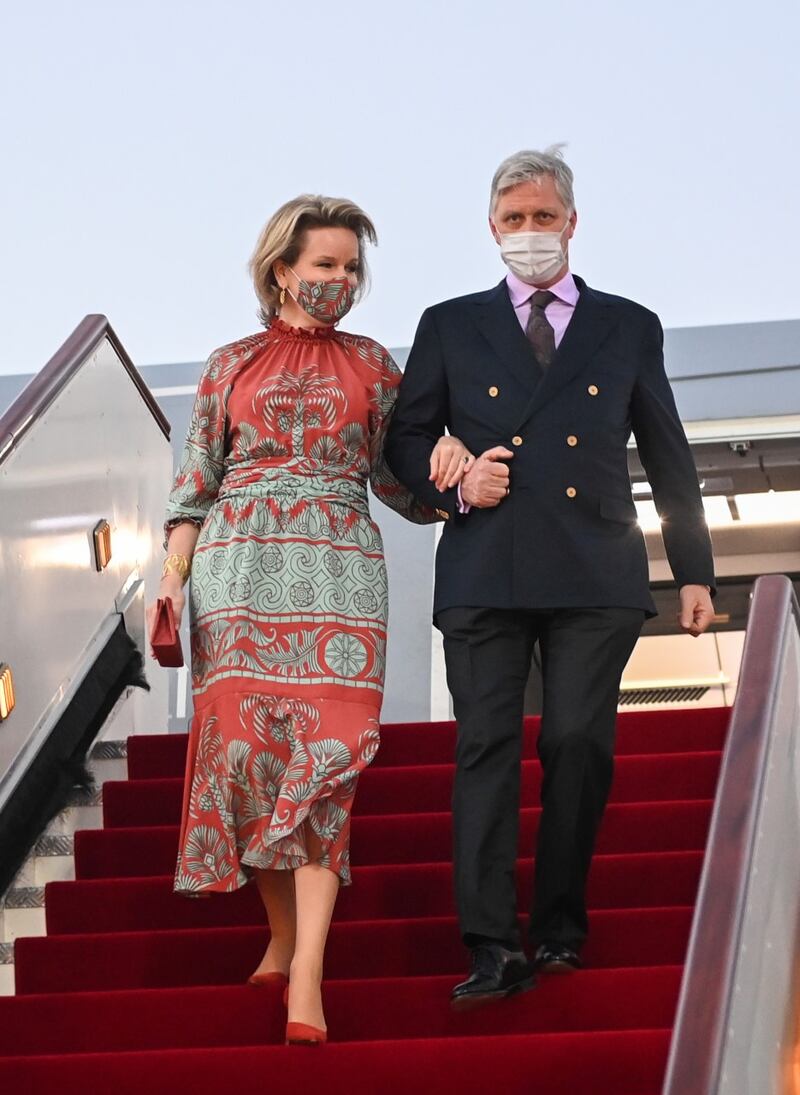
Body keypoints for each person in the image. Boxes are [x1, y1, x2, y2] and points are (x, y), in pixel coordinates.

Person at [384, 147, 716, 1009]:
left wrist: (694, 571)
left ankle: (561, 925)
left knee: (578, 740)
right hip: (486, 562)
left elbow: (668, 450)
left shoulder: (627, 322)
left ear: (572, 222)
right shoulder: (450, 323)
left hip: (595, 563)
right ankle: (492, 943)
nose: (528, 234)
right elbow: (405, 440)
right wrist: (450, 478)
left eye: (543, 217)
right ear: (492, 229)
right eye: (513, 220)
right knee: (485, 748)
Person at [147, 195, 472, 1045]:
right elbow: (194, 486)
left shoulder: (374, 364)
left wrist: (457, 475)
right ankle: (283, 931)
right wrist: (173, 580)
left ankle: (308, 974)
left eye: (351, 268)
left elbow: (398, 478)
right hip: (237, 567)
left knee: (330, 758)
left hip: (341, 569)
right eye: (325, 264)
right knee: (250, 756)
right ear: (282, 269)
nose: (341, 280)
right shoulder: (228, 364)